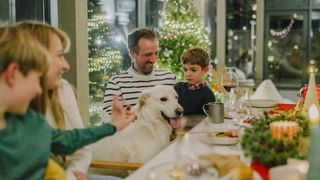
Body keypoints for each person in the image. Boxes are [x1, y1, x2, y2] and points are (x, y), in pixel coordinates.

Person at [0, 25, 135, 179]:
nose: (66, 65)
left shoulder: (33, 122)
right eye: (59, 55)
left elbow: (70, 140)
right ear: (12, 74)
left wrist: (112, 126)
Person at [16, 21, 93, 180]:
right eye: (59, 55)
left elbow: (82, 149)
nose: (66, 65)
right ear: (35, 58)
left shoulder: (63, 89)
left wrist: (70, 177)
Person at [103, 27, 177, 115]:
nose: (154, 59)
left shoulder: (170, 78)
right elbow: (109, 121)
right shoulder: (117, 84)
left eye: (156, 53)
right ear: (133, 53)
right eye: (148, 54)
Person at [174, 47, 215, 115]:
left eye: (193, 70)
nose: (187, 74)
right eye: (185, 70)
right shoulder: (178, 88)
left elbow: (207, 120)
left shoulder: (208, 95)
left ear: (205, 70)